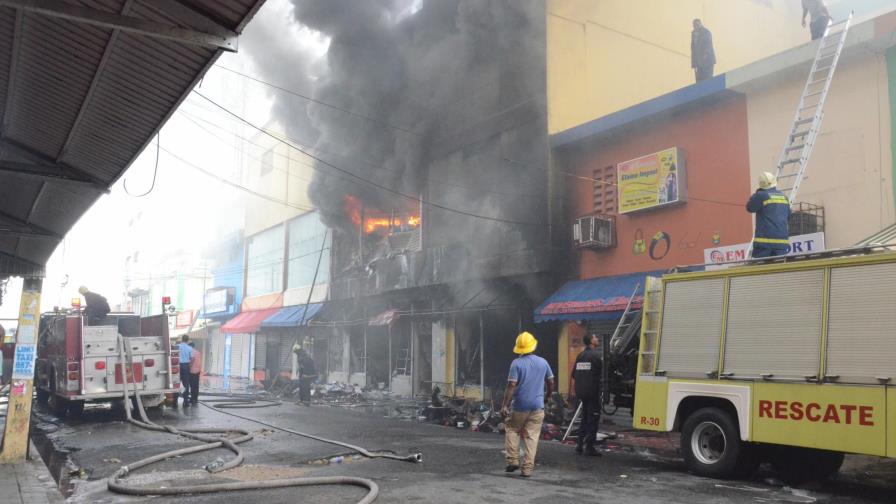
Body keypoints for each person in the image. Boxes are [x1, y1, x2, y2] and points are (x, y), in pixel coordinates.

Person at [500, 332, 555, 478]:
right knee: (532, 437)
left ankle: (513, 460)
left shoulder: (516, 363)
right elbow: (551, 381)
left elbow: (511, 385)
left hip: (519, 406)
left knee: (512, 428)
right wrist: (549, 395)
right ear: (533, 346)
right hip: (537, 406)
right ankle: (527, 469)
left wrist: (505, 405)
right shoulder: (543, 362)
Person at [570, 334, 603, 457]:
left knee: (584, 417)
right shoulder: (595, 356)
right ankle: (589, 447)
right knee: (593, 418)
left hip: (581, 392)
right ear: (591, 341)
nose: (597, 339)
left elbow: (574, 374)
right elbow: (602, 374)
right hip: (592, 392)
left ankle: (579, 445)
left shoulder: (580, 355)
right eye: (595, 337)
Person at [747, 171, 791, 258]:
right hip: (781, 245)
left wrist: (756, 194)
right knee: (779, 270)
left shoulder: (761, 195)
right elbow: (788, 216)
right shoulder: (784, 197)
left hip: (764, 245)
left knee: (761, 270)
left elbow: (749, 208)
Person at [178, 335, 193, 406]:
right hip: (186, 366)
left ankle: (174, 401)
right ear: (188, 340)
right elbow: (192, 358)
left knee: (176, 383)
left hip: (177, 366)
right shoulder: (190, 348)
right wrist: (189, 366)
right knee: (186, 384)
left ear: (182, 339)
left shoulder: (177, 346)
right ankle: (185, 401)